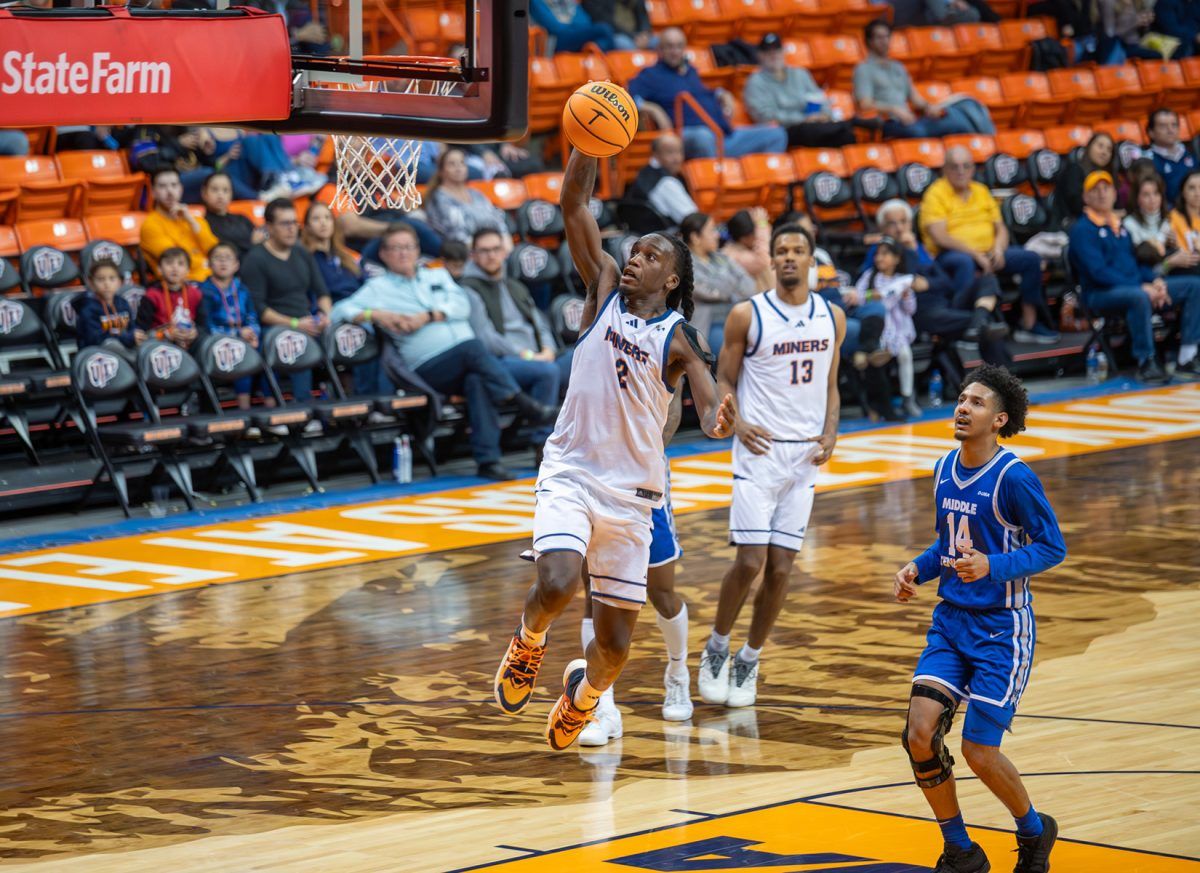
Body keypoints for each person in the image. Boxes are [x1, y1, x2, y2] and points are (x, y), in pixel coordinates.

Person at [491, 147, 736, 751]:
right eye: (634, 251)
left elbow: (706, 406)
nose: (635, 259)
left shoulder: (677, 337)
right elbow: (573, 204)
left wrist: (718, 416)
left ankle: (585, 695)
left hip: (633, 499)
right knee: (557, 584)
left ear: (672, 279)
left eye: (651, 256)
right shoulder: (601, 289)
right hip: (571, 472)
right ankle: (528, 642)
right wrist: (586, 145)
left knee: (615, 649)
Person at [893, 363, 1066, 873]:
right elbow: (950, 544)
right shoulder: (945, 467)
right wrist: (917, 569)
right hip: (951, 623)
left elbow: (1052, 546)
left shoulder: (1015, 477)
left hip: (1001, 630)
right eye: (961, 398)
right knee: (919, 734)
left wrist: (995, 565)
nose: (963, 407)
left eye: (977, 403)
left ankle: (1035, 831)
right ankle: (960, 849)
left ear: (999, 419)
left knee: (978, 752)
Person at [698, 223, 845, 709]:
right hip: (758, 452)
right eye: (780, 250)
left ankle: (749, 656)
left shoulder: (832, 316)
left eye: (797, 250)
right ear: (771, 260)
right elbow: (723, 376)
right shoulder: (748, 314)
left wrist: (832, 429)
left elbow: (830, 382)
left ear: (810, 259)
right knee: (749, 562)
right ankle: (716, 646)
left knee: (781, 570)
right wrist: (736, 424)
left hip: (805, 455)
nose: (787, 258)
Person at [331, 224, 557, 481]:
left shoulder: (436, 276)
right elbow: (337, 311)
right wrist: (376, 314)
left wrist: (429, 316)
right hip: (427, 367)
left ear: (418, 250)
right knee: (472, 349)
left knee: (478, 381)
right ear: (383, 255)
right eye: (396, 248)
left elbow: (462, 305)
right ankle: (523, 404)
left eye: (408, 247)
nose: (403, 253)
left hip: (469, 362)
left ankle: (488, 460)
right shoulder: (377, 288)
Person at [577, 388, 697, 746]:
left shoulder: (663, 336)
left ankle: (677, 672)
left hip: (645, 475)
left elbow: (672, 410)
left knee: (661, 591)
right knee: (595, 593)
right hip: (595, 474)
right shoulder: (597, 338)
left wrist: (635, 456)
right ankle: (601, 704)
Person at [1069, 170, 1200, 381]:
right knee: (1139, 297)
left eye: (1106, 188)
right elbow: (1098, 273)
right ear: (1086, 197)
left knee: (1194, 285)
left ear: (1114, 193)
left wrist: (1155, 281)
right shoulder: (1082, 230)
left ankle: (1188, 355)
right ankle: (1146, 361)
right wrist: (1142, 287)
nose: (1102, 194)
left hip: (1133, 286)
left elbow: (1137, 264)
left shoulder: (1120, 227)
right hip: (1099, 293)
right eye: (1095, 190)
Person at [920, 147, 1059, 345]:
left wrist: (998, 249)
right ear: (944, 169)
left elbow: (1000, 228)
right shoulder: (936, 194)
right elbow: (940, 236)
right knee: (963, 262)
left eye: (966, 166)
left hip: (988, 252)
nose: (961, 171)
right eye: (954, 167)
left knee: (1030, 259)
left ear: (973, 169)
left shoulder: (981, 190)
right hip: (950, 255)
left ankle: (1028, 324)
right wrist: (976, 254)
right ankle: (965, 326)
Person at [458, 228, 562, 454]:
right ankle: (542, 445)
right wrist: (530, 356)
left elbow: (540, 324)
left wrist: (548, 349)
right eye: (484, 251)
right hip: (504, 361)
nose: (491, 255)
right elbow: (486, 338)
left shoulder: (516, 285)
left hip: (539, 357)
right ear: (473, 256)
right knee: (548, 372)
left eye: (496, 249)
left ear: (505, 252)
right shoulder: (469, 288)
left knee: (585, 359)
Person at [627, 28, 788, 160]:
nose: (675, 51)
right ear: (660, 50)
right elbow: (628, 98)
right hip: (689, 135)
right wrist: (652, 108)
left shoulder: (690, 71)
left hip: (723, 135)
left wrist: (721, 93)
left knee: (776, 134)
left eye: (679, 46)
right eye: (669, 46)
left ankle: (763, 183)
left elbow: (702, 92)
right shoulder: (650, 75)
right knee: (703, 137)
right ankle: (714, 184)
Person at [240, 199, 331, 412]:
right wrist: (295, 324)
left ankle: (353, 400)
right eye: (285, 224)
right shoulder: (255, 259)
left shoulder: (301, 253)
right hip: (275, 326)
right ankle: (304, 407)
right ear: (269, 227)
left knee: (354, 335)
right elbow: (259, 310)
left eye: (294, 223)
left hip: (308, 322)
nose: (292, 229)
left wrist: (325, 314)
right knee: (296, 341)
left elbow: (322, 293)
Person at [853, 20, 982, 141]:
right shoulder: (864, 69)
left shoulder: (898, 67)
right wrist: (893, 109)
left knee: (957, 124)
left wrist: (928, 107)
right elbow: (865, 104)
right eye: (879, 37)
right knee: (918, 132)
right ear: (869, 41)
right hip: (888, 122)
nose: (885, 41)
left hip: (910, 120)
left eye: (887, 36)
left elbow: (915, 99)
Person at [743, 33, 857, 149]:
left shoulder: (800, 73)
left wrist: (824, 115)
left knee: (845, 134)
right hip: (785, 130)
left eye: (777, 50)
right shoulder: (755, 82)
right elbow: (765, 116)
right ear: (760, 55)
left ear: (783, 52)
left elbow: (819, 97)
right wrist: (802, 119)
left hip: (812, 124)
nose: (773, 55)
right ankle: (849, 124)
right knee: (823, 131)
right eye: (768, 52)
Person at [855, 237, 925, 419]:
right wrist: (873, 295)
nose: (879, 258)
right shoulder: (869, 277)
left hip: (898, 329)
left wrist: (907, 296)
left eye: (885, 254)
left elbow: (911, 310)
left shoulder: (902, 280)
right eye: (878, 254)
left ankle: (907, 397)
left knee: (905, 355)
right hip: (877, 328)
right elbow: (857, 298)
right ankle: (877, 403)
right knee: (877, 359)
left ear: (896, 258)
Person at [681, 212, 757, 355]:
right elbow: (706, 292)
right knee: (732, 349)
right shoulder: (683, 264)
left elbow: (750, 286)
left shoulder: (722, 258)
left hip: (735, 318)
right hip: (706, 325)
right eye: (711, 230)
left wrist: (724, 288)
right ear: (695, 237)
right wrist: (733, 284)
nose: (717, 235)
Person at [200, 242, 261, 412]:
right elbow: (207, 325)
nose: (223, 262)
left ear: (236, 265)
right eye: (218, 258)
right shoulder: (204, 291)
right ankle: (245, 410)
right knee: (238, 349)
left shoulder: (242, 289)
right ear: (210, 264)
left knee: (267, 349)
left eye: (227, 258)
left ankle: (272, 406)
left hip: (244, 336)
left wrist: (252, 333)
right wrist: (236, 335)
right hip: (218, 341)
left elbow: (252, 316)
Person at [140, 167, 219, 281]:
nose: (170, 191)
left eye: (174, 185)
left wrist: (191, 221)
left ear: (181, 189)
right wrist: (204, 262)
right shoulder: (150, 225)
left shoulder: (194, 219)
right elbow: (176, 261)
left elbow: (214, 251)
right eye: (162, 186)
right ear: (153, 192)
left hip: (210, 280)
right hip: (182, 285)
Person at [424, 148, 510, 246]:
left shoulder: (476, 194)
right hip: (463, 250)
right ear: (441, 171)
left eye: (462, 163)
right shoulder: (439, 197)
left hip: (492, 246)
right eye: (452, 164)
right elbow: (456, 234)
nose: (458, 168)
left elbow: (497, 220)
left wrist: (505, 241)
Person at [1124, 173, 1200, 274]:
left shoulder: (1166, 221)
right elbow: (1141, 268)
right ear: (1137, 198)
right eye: (1146, 194)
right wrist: (1169, 262)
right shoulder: (1129, 225)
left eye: (1156, 193)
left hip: (1172, 273)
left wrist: (1172, 245)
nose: (1152, 199)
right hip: (1149, 278)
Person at [623, 133, 698, 231]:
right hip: (661, 239)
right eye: (670, 152)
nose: (677, 158)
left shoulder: (644, 172)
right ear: (655, 155)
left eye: (679, 152)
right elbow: (693, 221)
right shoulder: (666, 182)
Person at [136, 246, 207, 351]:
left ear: (188, 270)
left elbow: (203, 326)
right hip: (161, 346)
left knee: (205, 341)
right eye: (169, 263)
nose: (175, 268)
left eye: (180, 264)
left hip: (190, 344)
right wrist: (166, 334)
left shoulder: (196, 293)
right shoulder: (151, 295)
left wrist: (195, 332)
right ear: (159, 269)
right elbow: (143, 333)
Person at [75, 258, 145, 350]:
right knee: (112, 345)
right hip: (98, 355)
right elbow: (95, 338)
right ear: (91, 283)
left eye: (112, 278)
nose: (106, 284)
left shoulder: (123, 303)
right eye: (101, 279)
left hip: (124, 348)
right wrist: (127, 338)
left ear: (120, 282)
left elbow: (131, 327)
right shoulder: (87, 308)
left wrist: (136, 333)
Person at [302, 202, 363, 303]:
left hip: (358, 304)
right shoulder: (306, 258)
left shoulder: (345, 256)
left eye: (327, 218)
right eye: (316, 218)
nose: (323, 223)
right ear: (307, 226)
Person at [1054, 132, 1119, 222]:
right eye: (1100, 146)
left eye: (1109, 150)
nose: (1104, 152)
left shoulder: (1109, 176)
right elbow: (1076, 205)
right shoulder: (1074, 170)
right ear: (1089, 147)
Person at [201, 172, 266, 258]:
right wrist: (252, 244)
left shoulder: (242, 218)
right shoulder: (203, 225)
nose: (220, 195)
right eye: (214, 189)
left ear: (231, 194)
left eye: (225, 190)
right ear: (204, 193)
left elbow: (261, 236)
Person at [1147, 108, 1198, 204]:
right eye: (1163, 126)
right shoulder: (1148, 160)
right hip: (1167, 214)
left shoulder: (1191, 153)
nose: (1170, 130)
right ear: (1151, 132)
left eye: (1174, 125)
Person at [530, 0, 619, 52]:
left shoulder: (566, 2)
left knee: (604, 38)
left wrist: (571, 27)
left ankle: (592, 54)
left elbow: (585, 21)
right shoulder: (536, 2)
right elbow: (555, 28)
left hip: (572, 35)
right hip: (553, 42)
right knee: (604, 30)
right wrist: (573, 27)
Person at [722, 208, 774, 292]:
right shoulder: (731, 255)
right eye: (757, 231)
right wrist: (761, 225)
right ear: (744, 238)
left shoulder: (751, 247)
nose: (765, 231)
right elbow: (763, 261)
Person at [1169, 169, 1200, 261]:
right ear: (1183, 192)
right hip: (1186, 267)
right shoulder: (1173, 217)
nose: (1197, 193)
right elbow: (1179, 251)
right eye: (1191, 188)